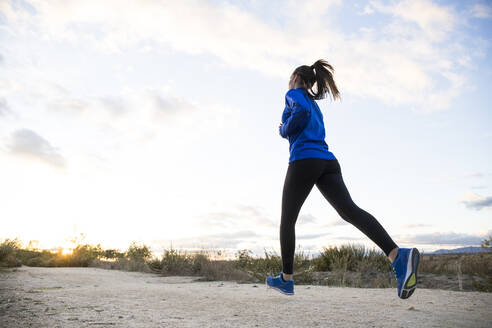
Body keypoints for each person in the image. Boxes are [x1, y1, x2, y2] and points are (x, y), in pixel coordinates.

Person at [265, 59, 420, 299]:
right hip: (328, 162)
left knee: (287, 220)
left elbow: (299, 115)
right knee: (349, 211)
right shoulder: (316, 106)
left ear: (296, 77)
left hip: (304, 160)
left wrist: (283, 129)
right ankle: (397, 256)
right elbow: (306, 115)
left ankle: (286, 280)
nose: (288, 81)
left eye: (290, 78)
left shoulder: (294, 93)